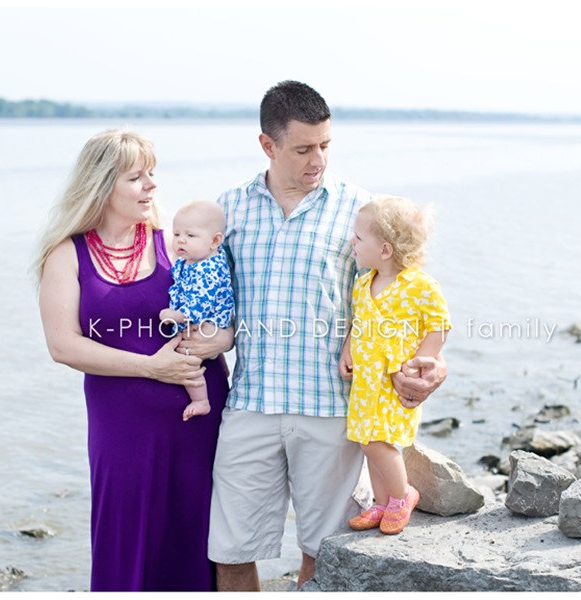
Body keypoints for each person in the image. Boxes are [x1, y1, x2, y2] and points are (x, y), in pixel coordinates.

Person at [208, 80, 449, 591]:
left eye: (324, 145)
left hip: (333, 410)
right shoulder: (227, 210)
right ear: (267, 146)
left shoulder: (362, 212)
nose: (317, 159)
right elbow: (206, 298)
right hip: (249, 404)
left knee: (324, 554)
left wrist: (433, 364)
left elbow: (412, 299)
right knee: (229, 552)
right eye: (302, 149)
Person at [34, 129, 233, 591]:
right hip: (121, 425)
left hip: (197, 418)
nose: (152, 186)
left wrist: (221, 339)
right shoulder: (67, 255)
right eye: (136, 177)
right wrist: (150, 367)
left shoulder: (177, 243)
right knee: (125, 535)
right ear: (103, 184)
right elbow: (62, 345)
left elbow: (228, 311)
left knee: (199, 535)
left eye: (152, 175)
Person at [338, 195, 452, 535]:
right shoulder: (363, 283)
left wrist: (426, 361)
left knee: (381, 442)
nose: (351, 242)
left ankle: (403, 496)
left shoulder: (420, 286)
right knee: (365, 440)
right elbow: (358, 322)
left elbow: (439, 324)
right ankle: (382, 502)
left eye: (358, 238)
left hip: (394, 379)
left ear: (386, 249)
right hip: (365, 381)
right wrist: (348, 348)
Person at [159, 199, 235, 421]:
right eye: (177, 234)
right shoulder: (190, 260)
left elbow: (200, 304)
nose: (181, 240)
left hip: (208, 321)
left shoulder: (209, 268)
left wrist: (176, 316)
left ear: (215, 241)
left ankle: (200, 400)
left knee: (187, 359)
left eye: (190, 236)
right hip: (195, 320)